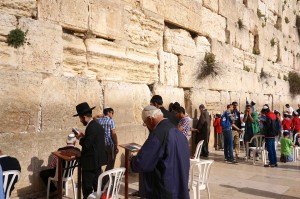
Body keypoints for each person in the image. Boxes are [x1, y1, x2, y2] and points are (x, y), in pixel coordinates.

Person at [130, 105, 190, 199]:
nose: (147, 126)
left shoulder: (158, 134)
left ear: (150, 119)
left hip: (164, 191)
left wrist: (132, 160)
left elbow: (143, 163)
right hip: (179, 187)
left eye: (145, 123)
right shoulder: (177, 132)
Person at [74, 102, 107, 199]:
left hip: (90, 163)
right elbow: (94, 142)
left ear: (84, 117)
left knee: (87, 189)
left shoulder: (91, 128)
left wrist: (80, 138)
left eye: (80, 118)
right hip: (97, 162)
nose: (80, 121)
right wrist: (84, 136)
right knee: (97, 187)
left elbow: (87, 145)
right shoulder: (96, 125)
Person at [96, 107, 118, 172]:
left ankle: (103, 177)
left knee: (104, 162)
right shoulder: (111, 121)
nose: (112, 115)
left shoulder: (100, 120)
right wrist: (116, 144)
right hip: (110, 144)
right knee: (111, 163)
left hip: (102, 144)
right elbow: (113, 134)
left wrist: (100, 115)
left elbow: (94, 118)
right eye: (112, 113)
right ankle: (106, 180)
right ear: (109, 112)